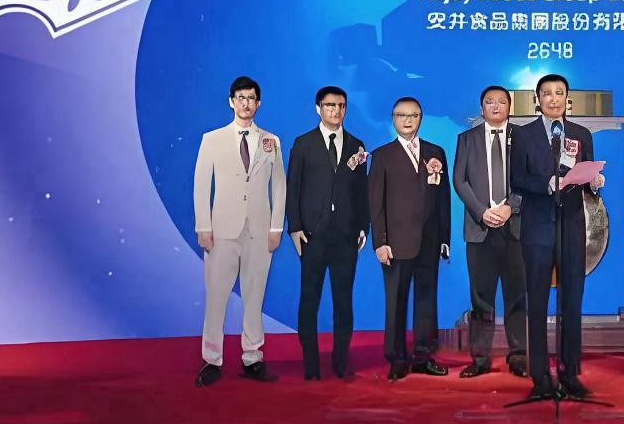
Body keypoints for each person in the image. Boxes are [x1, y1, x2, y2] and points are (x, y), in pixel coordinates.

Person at [511, 73, 604, 400]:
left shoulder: (581, 134)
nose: (553, 98)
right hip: (537, 229)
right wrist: (546, 184)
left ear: (567, 98)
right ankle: (540, 377)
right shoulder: (523, 134)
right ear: (538, 99)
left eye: (559, 93)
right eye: (547, 93)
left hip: (572, 227)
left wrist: (594, 182)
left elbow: (587, 176)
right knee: (537, 304)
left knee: (572, 303)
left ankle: (570, 374)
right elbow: (516, 178)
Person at [192, 76, 285, 387]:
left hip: (259, 231)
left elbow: (279, 186)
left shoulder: (271, 141)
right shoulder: (212, 139)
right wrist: (203, 226)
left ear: (259, 103)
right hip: (222, 231)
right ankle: (212, 359)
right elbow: (201, 184)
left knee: (255, 297)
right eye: (241, 97)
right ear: (231, 101)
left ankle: (253, 357)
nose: (246, 103)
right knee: (216, 297)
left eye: (251, 98)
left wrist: (276, 227)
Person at [286, 86, 369, 381]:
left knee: (343, 302)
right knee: (309, 300)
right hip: (312, 235)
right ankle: (310, 364)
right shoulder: (303, 144)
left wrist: (363, 226)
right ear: (318, 108)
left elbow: (362, 191)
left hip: (346, 236)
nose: (336, 110)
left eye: (341, 105)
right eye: (330, 105)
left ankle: (340, 361)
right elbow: (293, 188)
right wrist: (295, 227)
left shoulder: (357, 145)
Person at [369, 96, 451, 381]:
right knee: (396, 301)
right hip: (395, 243)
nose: (407, 120)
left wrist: (444, 238)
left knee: (426, 301)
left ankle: (423, 356)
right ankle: (396, 358)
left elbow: (443, 199)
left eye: (413, 115)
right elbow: (375, 204)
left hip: (429, 241)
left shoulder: (436, 152)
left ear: (421, 118)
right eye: (401, 115)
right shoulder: (382, 155)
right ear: (393, 119)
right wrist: (380, 241)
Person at [452, 85, 527, 379]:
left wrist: (510, 207)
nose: (495, 106)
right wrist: (482, 211)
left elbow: (530, 177)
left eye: (501, 101)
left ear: (509, 107)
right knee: (481, 298)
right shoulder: (467, 139)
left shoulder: (522, 137)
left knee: (516, 296)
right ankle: (480, 359)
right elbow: (460, 181)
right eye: (489, 102)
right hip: (479, 228)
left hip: (515, 229)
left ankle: (518, 355)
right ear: (481, 108)